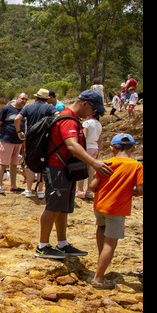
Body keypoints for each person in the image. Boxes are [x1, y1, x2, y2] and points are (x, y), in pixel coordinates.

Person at [35, 89, 113, 260]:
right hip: (57, 169)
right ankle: (42, 246)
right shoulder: (68, 120)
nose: (94, 113)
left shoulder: (73, 119)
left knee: (62, 208)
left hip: (65, 169)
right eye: (93, 109)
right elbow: (71, 145)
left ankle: (62, 244)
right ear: (85, 104)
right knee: (53, 207)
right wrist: (93, 163)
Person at [88, 133, 143, 288]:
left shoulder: (108, 163)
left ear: (112, 149)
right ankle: (98, 279)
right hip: (117, 209)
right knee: (110, 243)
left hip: (100, 205)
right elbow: (140, 189)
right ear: (133, 148)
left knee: (101, 228)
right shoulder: (136, 166)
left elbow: (92, 186)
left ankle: (101, 261)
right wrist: (133, 192)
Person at [16, 89, 57, 197]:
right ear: (47, 99)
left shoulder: (28, 107)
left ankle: (28, 190)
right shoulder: (49, 107)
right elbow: (58, 115)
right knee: (43, 163)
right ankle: (40, 190)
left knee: (29, 163)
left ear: (36, 98)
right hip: (45, 138)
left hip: (30, 139)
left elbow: (17, 118)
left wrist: (19, 131)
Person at [0, 92, 29, 194]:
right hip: (7, 140)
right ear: (17, 98)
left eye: (26, 100)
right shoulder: (6, 109)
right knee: (3, 163)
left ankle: (13, 185)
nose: (24, 101)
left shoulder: (24, 111)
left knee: (14, 164)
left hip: (18, 141)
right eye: (22, 99)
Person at [77, 108, 102, 198]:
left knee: (82, 168)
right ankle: (89, 191)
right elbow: (99, 140)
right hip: (94, 147)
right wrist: (98, 150)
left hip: (86, 147)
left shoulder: (86, 123)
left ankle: (79, 190)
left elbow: (84, 137)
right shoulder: (99, 124)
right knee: (91, 170)